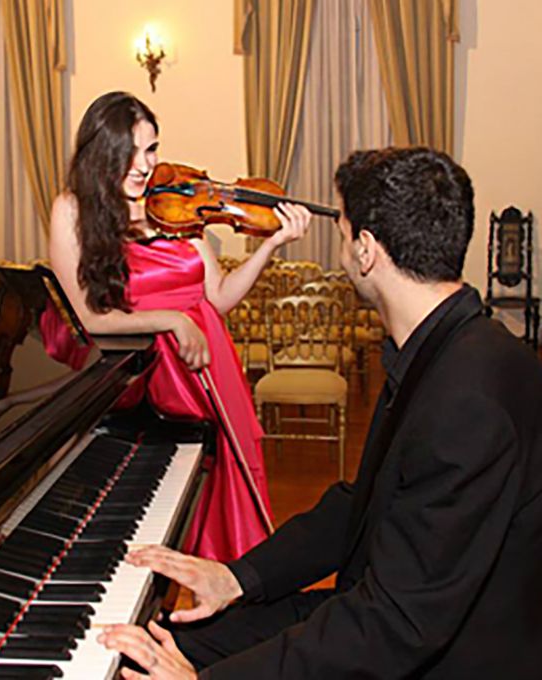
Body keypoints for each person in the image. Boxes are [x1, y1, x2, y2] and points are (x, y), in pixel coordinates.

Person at [98, 147, 542, 679]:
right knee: (162, 640)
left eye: (343, 232)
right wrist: (239, 577)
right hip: (382, 606)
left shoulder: (467, 402)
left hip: (442, 654)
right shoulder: (443, 346)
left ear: (366, 251)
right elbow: (363, 504)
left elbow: (394, 626)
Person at [48, 91, 312, 562]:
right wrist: (171, 321)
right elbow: (89, 317)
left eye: (151, 149)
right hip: (149, 375)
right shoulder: (72, 210)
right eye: (130, 150)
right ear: (100, 150)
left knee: (230, 494)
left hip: (208, 362)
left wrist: (270, 246)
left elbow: (219, 297)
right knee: (155, 508)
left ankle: (228, 595)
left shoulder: (174, 205)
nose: (145, 164)